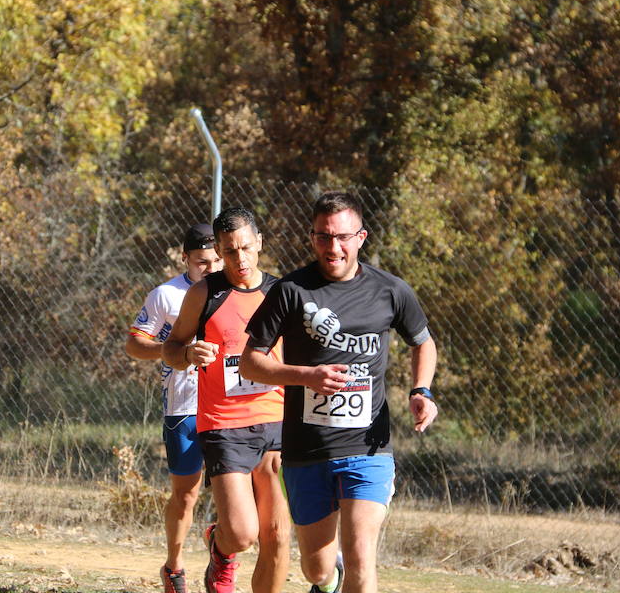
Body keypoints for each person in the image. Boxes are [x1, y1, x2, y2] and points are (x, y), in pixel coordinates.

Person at [240, 191, 438, 593]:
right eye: (324, 237)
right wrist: (305, 375)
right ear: (312, 238)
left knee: (362, 557)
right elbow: (250, 361)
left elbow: (424, 342)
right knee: (317, 567)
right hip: (306, 450)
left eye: (343, 237)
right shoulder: (291, 290)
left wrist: (422, 390)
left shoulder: (391, 290)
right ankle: (328, 581)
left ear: (361, 237)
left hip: (368, 448)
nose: (334, 247)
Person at [161, 207, 291, 593]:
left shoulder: (280, 292)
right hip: (224, 423)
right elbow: (171, 347)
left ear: (259, 244)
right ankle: (221, 547)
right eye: (230, 251)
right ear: (219, 250)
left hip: (276, 419)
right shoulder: (205, 293)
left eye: (246, 248)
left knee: (278, 535)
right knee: (242, 533)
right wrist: (187, 355)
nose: (240, 259)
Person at [125, 223, 223, 593]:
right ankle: (175, 566)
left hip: (229, 407)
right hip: (184, 406)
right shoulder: (166, 295)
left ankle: (222, 545)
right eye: (201, 262)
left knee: (239, 491)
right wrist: (176, 353)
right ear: (185, 258)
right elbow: (135, 343)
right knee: (187, 493)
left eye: (216, 261)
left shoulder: (237, 291)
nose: (210, 269)